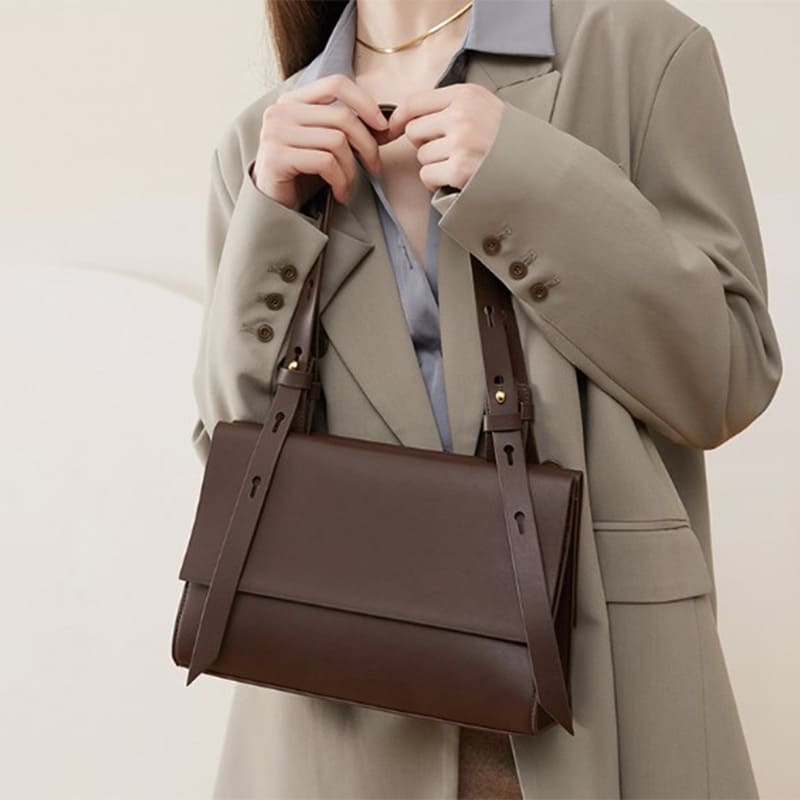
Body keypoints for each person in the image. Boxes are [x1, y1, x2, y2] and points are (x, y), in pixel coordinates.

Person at [189, 0, 783, 797]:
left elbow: (728, 375)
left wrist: (526, 181)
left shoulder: (636, 53)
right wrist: (270, 215)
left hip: (612, 718)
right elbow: (233, 464)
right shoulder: (263, 142)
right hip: (334, 740)